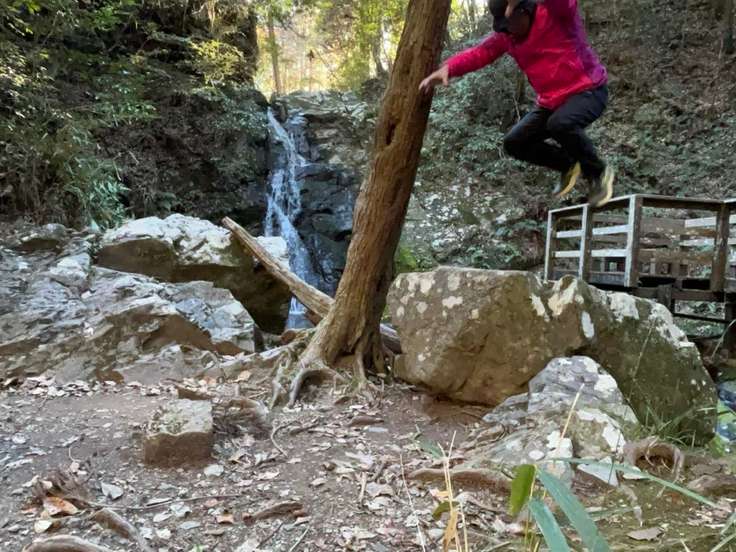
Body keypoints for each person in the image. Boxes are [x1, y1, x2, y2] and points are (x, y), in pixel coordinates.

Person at [420, 0, 615, 207]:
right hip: (551, 102)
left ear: (525, 10)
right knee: (515, 142)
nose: (508, 30)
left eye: (510, 22)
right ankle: (568, 165)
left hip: (588, 90)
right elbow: (480, 53)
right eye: (503, 26)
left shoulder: (556, 14)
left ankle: (599, 174)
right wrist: (449, 68)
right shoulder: (508, 37)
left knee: (560, 124)